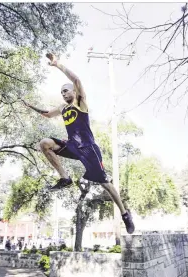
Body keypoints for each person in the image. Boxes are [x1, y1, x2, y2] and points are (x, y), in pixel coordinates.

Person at [22, 53, 135, 234]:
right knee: (44, 143)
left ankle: (124, 213)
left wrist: (57, 64)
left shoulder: (81, 102)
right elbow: (47, 114)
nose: (63, 93)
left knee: (105, 183)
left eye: (66, 90)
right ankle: (64, 178)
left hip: (89, 149)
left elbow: (76, 78)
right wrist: (31, 107)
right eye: (61, 92)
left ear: (74, 91)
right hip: (72, 145)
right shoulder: (63, 108)